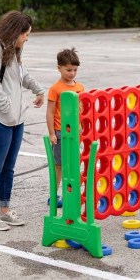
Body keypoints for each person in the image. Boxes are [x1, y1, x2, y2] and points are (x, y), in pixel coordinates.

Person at [0, 11, 45, 231]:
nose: (26, 38)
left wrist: (38, 89)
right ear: (15, 31)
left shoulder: (14, 51)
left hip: (16, 120)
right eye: (25, 34)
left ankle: (5, 210)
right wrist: (8, 108)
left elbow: (22, 75)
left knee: (8, 168)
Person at [46, 48, 84, 208]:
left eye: (75, 70)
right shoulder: (56, 88)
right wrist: (51, 133)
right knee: (59, 165)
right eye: (68, 70)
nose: (72, 73)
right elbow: (50, 111)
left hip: (76, 132)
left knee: (74, 163)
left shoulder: (80, 87)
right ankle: (53, 195)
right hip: (61, 132)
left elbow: (82, 110)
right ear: (59, 68)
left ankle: (72, 193)